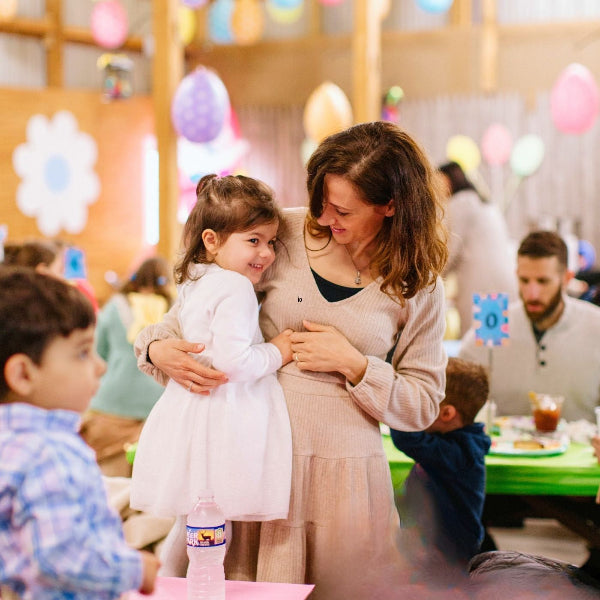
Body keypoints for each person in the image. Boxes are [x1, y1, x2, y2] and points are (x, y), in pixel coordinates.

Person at [134, 122, 449, 598]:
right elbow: (189, 315)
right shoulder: (277, 236)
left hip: (343, 484)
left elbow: (423, 405)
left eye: (343, 209)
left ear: (391, 207)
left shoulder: (416, 281)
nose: (324, 218)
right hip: (247, 464)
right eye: (321, 201)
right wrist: (157, 348)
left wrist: (356, 366)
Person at [130, 174, 294, 578]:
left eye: (271, 242)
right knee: (213, 530)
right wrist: (279, 351)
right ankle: (190, 586)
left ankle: (165, 582)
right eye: (253, 240)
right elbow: (234, 363)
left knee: (191, 523)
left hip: (194, 412)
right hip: (225, 417)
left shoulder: (198, 280)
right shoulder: (236, 287)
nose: (267, 253)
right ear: (211, 240)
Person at [0, 267, 159, 599]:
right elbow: (61, 557)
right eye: (83, 353)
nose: (100, 367)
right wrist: (133, 569)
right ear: (23, 375)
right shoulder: (48, 451)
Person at [459, 230, 600, 423]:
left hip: (582, 450)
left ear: (567, 279)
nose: (532, 293)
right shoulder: (493, 321)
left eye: (543, 281)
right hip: (502, 449)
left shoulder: (595, 327)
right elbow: (457, 392)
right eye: (524, 280)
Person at [390, 357, 491, 569]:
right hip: (433, 542)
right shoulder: (455, 442)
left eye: (424, 402)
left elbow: (407, 438)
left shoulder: (459, 453)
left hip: (448, 551)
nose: (419, 407)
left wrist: (398, 401)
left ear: (446, 413)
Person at [79, 256, 174, 477]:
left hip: (113, 404)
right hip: (161, 403)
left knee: (111, 477)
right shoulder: (174, 308)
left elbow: (97, 353)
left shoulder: (114, 307)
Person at [438, 161, 517, 337]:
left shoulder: (462, 203)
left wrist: (427, 280)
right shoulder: (484, 204)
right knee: (493, 344)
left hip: (483, 288)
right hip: (499, 286)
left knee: (481, 347)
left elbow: (448, 250)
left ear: (449, 180)